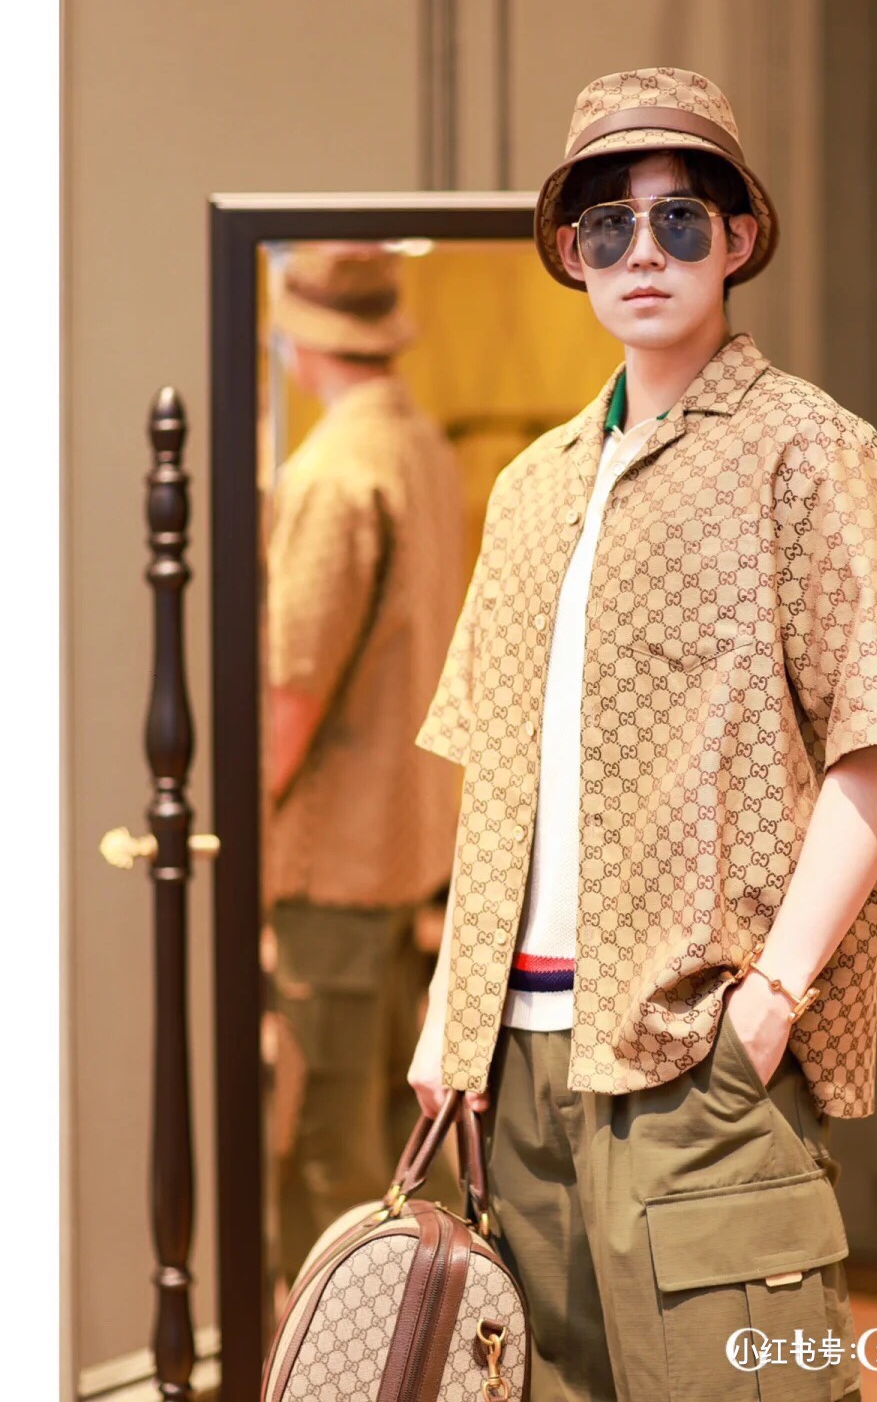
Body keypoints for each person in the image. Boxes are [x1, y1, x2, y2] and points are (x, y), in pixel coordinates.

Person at [408, 68, 877, 1402]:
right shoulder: (531, 486)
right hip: (513, 1068)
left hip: (697, 1053)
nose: (642, 252)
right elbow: (497, 780)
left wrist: (772, 1002)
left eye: (679, 219)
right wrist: (448, 1017)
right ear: (571, 251)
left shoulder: (811, 451)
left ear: (738, 238)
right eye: (608, 225)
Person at [265, 243, 466, 1284]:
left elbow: (290, 692)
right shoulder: (421, 445)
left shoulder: (333, 473)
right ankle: (430, 1344)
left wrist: (239, 821)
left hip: (336, 860)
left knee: (324, 1150)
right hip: (413, 843)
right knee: (398, 1135)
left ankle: (344, 1354)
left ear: (300, 340)